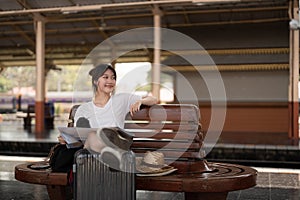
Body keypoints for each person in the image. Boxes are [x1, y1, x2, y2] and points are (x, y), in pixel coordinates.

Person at [59, 63, 158, 153]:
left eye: (113, 78)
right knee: (91, 137)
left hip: (118, 143)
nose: (110, 81)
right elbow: (79, 138)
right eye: (105, 77)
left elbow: (154, 99)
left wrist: (141, 101)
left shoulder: (122, 99)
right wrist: (67, 139)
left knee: (93, 138)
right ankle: (103, 159)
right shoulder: (83, 109)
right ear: (95, 81)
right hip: (94, 148)